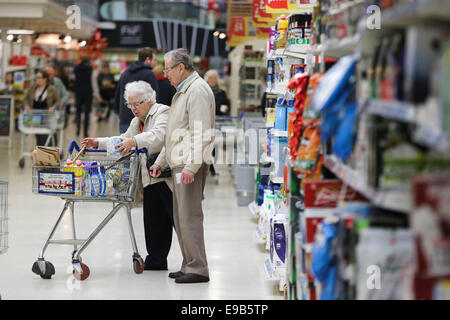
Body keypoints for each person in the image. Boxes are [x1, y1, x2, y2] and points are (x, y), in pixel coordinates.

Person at [82, 80, 173, 270]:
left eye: (137, 104)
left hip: (165, 174)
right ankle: (156, 260)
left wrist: (133, 141)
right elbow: (123, 140)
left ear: (149, 100)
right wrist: (97, 142)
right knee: (153, 219)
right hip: (148, 176)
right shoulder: (136, 121)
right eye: (130, 104)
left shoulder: (162, 112)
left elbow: (158, 137)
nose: (133, 108)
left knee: (176, 220)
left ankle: (191, 261)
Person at [149, 48, 215, 284]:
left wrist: (191, 166)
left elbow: (202, 132)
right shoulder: (183, 91)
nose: (165, 74)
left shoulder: (196, 91)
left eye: (167, 69)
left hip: (189, 164)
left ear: (180, 67)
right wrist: (160, 161)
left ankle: (198, 268)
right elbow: (174, 132)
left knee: (190, 217)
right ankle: (189, 264)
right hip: (178, 162)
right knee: (180, 217)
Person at [115, 47, 159, 134]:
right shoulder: (149, 74)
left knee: (125, 145)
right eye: (154, 59)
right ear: (148, 60)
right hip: (143, 122)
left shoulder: (125, 73)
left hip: (124, 119)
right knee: (142, 147)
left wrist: (122, 113)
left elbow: (117, 97)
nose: (156, 62)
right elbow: (155, 98)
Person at [204, 69, 230, 183]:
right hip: (205, 124)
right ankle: (212, 170)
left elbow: (226, 105)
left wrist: (225, 109)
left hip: (218, 124)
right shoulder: (203, 92)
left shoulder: (221, 93)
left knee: (212, 149)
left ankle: (210, 168)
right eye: (211, 78)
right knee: (208, 149)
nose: (213, 81)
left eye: (215, 78)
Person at [24, 70, 61, 146]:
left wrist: (53, 107)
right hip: (35, 116)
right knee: (38, 135)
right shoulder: (33, 88)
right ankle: (40, 152)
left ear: (45, 79)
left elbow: (58, 101)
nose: (37, 79)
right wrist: (26, 105)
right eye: (36, 78)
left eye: (39, 78)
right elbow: (26, 98)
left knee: (48, 135)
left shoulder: (52, 89)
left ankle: (49, 150)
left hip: (47, 116)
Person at [73, 55, 93, 137]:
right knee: (86, 113)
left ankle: (78, 129)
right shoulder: (90, 68)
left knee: (78, 111)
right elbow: (92, 80)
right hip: (87, 91)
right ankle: (85, 132)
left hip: (78, 91)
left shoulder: (76, 68)